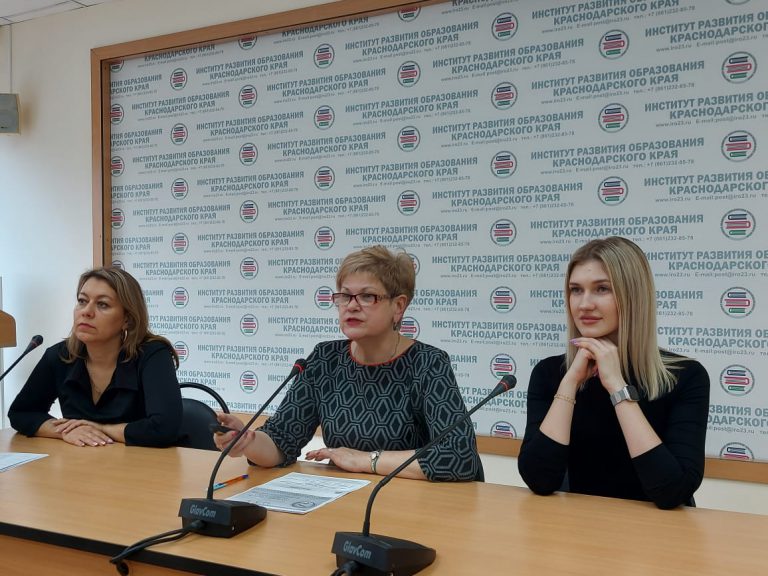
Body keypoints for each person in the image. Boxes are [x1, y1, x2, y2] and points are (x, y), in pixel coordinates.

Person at [214, 245, 483, 481]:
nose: (351, 306)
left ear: (398, 306)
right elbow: (280, 442)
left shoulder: (428, 363)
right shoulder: (325, 359)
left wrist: (366, 461)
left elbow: (458, 457)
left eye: (367, 296)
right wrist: (248, 442)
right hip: (343, 500)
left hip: (411, 503)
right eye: (344, 296)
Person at [517, 237, 709, 509]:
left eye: (602, 289)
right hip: (579, 526)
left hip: (656, 531)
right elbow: (539, 480)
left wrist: (617, 386)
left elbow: (672, 492)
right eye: (576, 290)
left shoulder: (685, 376)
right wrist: (569, 383)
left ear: (633, 296)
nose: (584, 304)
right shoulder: (550, 373)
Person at [9, 267, 182, 448]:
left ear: (128, 320)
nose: (86, 311)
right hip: (82, 462)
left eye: (102, 304)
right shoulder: (60, 355)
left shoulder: (152, 354)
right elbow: (21, 413)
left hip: (143, 463)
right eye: (82, 301)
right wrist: (66, 431)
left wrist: (99, 429)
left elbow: (164, 428)